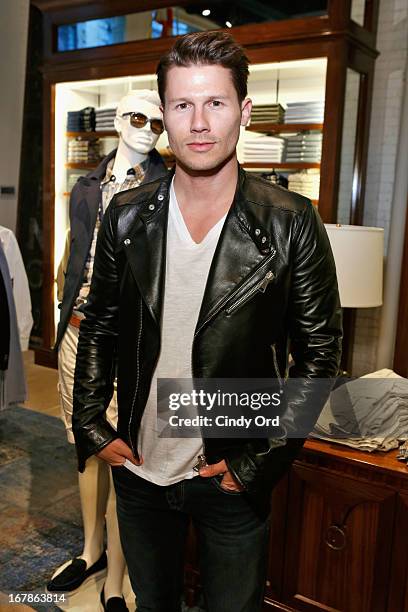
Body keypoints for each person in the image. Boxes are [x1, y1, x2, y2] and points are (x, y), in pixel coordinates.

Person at [72, 31, 342, 612]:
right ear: (164, 116)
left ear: (243, 111)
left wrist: (256, 463)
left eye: (215, 103)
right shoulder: (126, 215)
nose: (199, 122)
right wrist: (92, 420)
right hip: (141, 466)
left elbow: (318, 355)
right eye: (182, 105)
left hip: (230, 467)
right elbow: (98, 323)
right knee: (155, 601)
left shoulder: (290, 222)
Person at [48, 90, 167, 611]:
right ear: (118, 121)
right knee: (84, 440)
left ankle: (118, 578)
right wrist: (62, 297)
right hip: (77, 329)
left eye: (158, 123)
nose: (149, 129)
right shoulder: (87, 184)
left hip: (130, 340)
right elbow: (76, 250)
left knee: (123, 450)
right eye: (139, 118)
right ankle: (91, 551)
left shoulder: (169, 186)